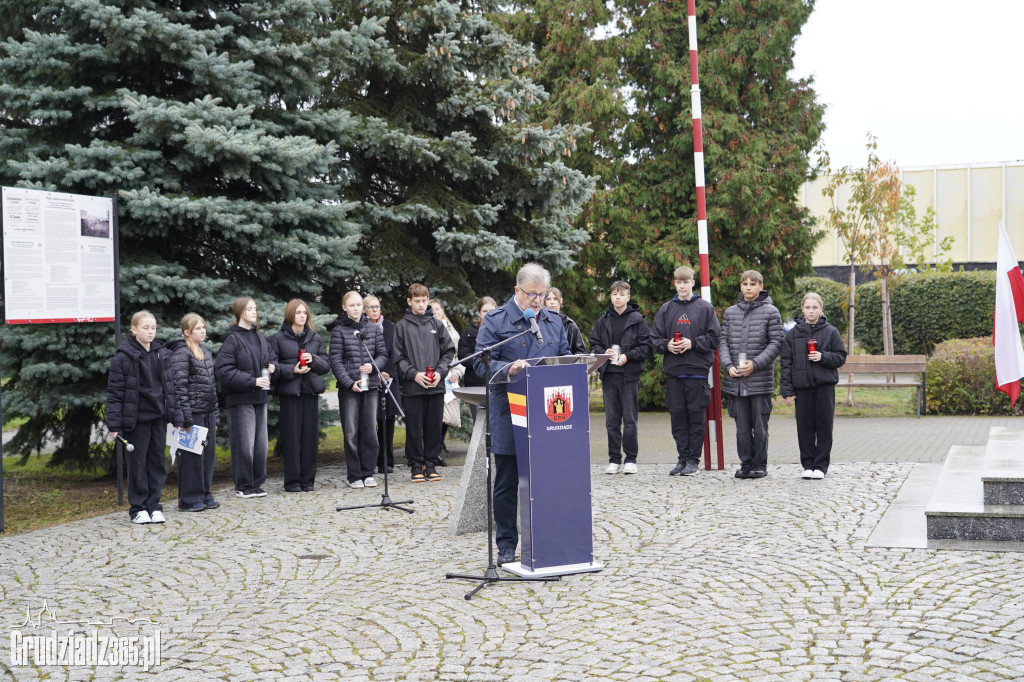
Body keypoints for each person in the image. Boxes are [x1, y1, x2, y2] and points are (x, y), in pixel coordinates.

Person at [475, 263, 570, 566]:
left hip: (549, 415)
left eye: (542, 295)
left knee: (548, 480)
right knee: (506, 483)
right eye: (532, 295)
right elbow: (480, 363)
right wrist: (508, 367)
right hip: (509, 413)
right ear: (517, 290)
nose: (538, 301)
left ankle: (546, 538)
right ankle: (506, 544)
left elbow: (565, 355)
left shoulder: (553, 321)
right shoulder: (496, 321)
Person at [106, 310, 183, 524]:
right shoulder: (123, 357)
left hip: (158, 418)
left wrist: (177, 418)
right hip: (136, 421)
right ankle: (138, 508)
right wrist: (114, 424)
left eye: (153, 328)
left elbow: (171, 388)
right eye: (145, 328)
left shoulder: (162, 353)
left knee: (157, 463)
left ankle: (154, 505)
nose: (150, 332)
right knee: (138, 464)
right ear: (133, 329)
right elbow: (115, 393)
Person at [650, 266, 721, 477]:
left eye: (686, 281)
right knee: (678, 417)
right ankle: (682, 458)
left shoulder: (705, 308)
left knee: (695, 417)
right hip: (674, 372)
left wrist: (692, 343)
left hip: (697, 372)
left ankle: (693, 460)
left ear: (692, 282)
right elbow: (654, 339)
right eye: (678, 282)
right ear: (675, 284)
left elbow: (715, 338)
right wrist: (667, 345)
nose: (682, 286)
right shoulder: (666, 309)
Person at [720, 270, 783, 480]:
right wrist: (727, 366)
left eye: (752, 284)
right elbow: (723, 343)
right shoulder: (730, 313)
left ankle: (759, 465)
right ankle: (745, 464)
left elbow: (776, 343)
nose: (748, 287)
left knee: (760, 426)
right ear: (740, 286)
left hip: (759, 381)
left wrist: (754, 365)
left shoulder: (771, 312)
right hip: (735, 381)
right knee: (742, 427)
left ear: (760, 286)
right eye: (745, 284)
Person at [214, 297, 277, 498]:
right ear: (241, 312)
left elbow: (271, 358)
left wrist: (272, 366)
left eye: (255, 309)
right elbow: (224, 370)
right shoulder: (233, 339)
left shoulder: (259, 336)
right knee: (244, 443)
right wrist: (252, 381)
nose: (254, 312)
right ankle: (243, 485)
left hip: (260, 398)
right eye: (250, 309)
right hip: (241, 399)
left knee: (260, 444)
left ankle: (257, 483)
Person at [588, 280, 653, 475]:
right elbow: (594, 345)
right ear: (610, 296)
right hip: (609, 376)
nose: (617, 297)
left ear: (628, 297)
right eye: (614, 293)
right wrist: (603, 352)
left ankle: (631, 459)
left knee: (630, 419)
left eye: (621, 294)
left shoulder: (637, 319)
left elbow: (646, 348)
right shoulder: (603, 320)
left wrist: (628, 356)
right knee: (612, 420)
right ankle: (614, 459)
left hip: (629, 376)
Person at [780, 292, 847, 479]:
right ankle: (807, 465)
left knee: (824, 425)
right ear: (802, 309)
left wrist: (823, 356)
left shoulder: (831, 332)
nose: (811, 311)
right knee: (805, 426)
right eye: (807, 307)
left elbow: (841, 357)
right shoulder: (793, 334)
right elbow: (786, 362)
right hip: (802, 387)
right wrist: (787, 390)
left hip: (824, 386)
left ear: (821, 309)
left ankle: (821, 466)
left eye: (814, 307)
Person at [393, 284, 455, 482]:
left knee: (433, 426)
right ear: (409, 301)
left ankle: (430, 463)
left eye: (424, 300)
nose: (421, 304)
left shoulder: (437, 325)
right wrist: (413, 374)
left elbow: (448, 352)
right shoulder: (401, 326)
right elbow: (397, 357)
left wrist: (440, 372)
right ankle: (415, 464)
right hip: (413, 387)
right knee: (414, 427)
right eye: (417, 301)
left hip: (435, 386)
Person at [330, 291, 388, 488]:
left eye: (358, 305)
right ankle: (354, 475)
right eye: (351, 305)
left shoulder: (372, 329)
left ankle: (368, 472)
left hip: (370, 386)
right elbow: (335, 361)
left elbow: (382, 355)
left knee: (370, 429)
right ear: (345, 308)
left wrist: (373, 367)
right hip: (350, 389)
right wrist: (348, 382)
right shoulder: (339, 331)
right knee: (351, 431)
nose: (355, 308)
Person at [270, 299, 330, 492]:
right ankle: (293, 481)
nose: (302, 316)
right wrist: (292, 370)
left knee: (310, 438)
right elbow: (273, 367)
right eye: (298, 313)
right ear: (290, 315)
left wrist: (314, 360)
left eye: (305, 313)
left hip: (310, 392)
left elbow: (326, 366)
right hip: (290, 394)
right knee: (291, 438)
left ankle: (308, 480)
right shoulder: (278, 338)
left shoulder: (315, 338)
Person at [167, 313, 220, 512]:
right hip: (193, 415)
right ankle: (190, 498)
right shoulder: (181, 354)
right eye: (197, 328)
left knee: (207, 455)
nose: (202, 331)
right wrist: (185, 417)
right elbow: (179, 388)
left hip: (207, 413)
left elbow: (211, 388)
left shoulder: (205, 353)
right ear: (187, 332)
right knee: (191, 457)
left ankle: (205, 493)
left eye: (203, 327)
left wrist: (215, 414)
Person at [364, 295, 400, 474]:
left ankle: (387, 460)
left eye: (377, 306)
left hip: (388, 380)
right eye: (370, 307)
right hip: (369, 379)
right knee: (371, 421)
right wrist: (375, 372)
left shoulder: (390, 328)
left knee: (388, 421)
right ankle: (370, 460)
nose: (375, 309)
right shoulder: (361, 328)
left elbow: (396, 353)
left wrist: (388, 373)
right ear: (364, 310)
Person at [430, 298, 465, 460]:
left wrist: (457, 372)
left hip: (449, 377)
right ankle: (432, 451)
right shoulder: (427, 328)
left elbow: (458, 356)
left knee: (447, 418)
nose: (435, 312)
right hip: (434, 376)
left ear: (442, 310)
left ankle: (437, 449)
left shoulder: (451, 329)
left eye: (437, 308)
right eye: (431, 309)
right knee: (435, 417)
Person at [458, 296, 497, 420]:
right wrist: (481, 360)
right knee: (479, 422)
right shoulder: (468, 334)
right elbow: (463, 356)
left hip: (497, 382)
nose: (488, 314)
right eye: (485, 311)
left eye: (491, 310)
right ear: (479, 312)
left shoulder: (503, 331)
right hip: (476, 384)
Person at [544, 287, 587, 355]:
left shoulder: (570, 324)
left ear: (561, 301)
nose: (552, 302)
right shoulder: (540, 323)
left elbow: (581, 352)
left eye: (555, 299)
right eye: (548, 299)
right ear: (544, 302)